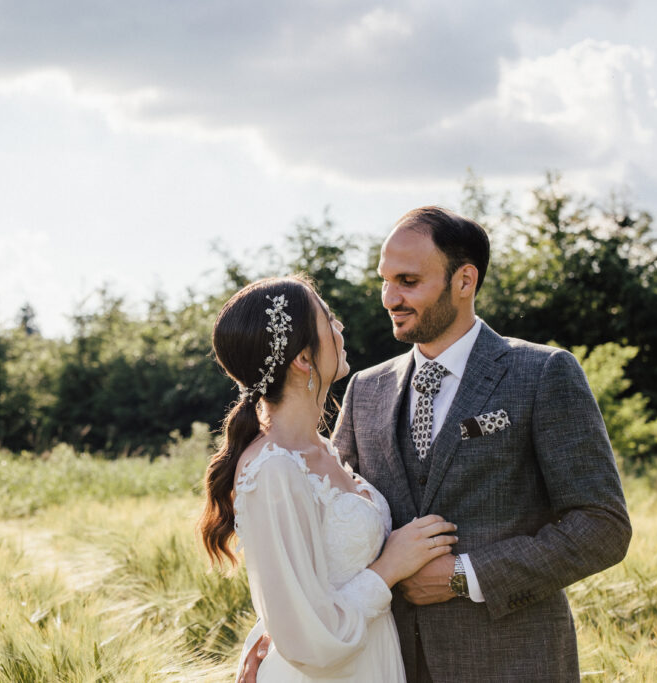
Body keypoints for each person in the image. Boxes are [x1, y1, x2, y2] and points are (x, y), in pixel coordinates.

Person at [242, 207, 632, 682]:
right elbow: (326, 519)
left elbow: (602, 526)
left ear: (464, 280)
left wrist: (464, 575)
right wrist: (284, 627)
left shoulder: (542, 374)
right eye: (384, 280)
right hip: (387, 662)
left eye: (408, 280)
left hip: (513, 663)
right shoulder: (366, 389)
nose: (390, 298)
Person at [199, 275, 459, 682]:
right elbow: (310, 638)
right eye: (329, 320)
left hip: (371, 659)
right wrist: (390, 567)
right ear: (303, 358)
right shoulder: (273, 470)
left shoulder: (323, 448)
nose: (340, 329)